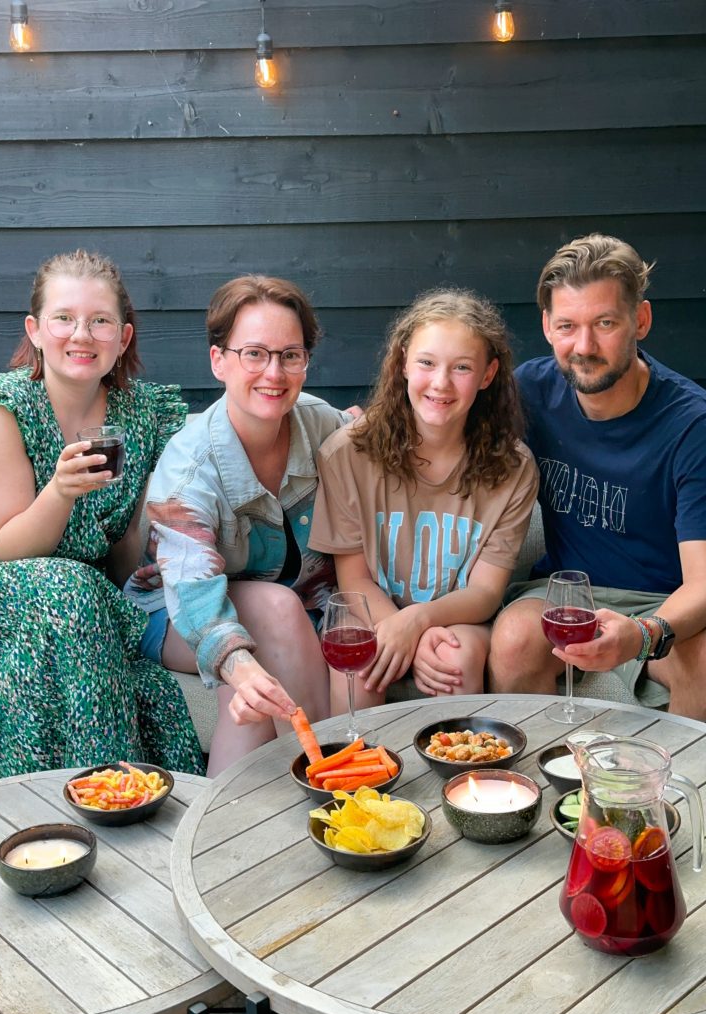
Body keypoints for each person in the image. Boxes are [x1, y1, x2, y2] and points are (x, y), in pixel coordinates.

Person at [0, 250, 205, 793]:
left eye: (100, 320)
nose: (81, 334)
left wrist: (146, 516)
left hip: (86, 593)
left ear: (123, 338)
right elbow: (7, 545)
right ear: (36, 330)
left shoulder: (144, 415)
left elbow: (118, 560)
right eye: (64, 318)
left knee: (78, 588)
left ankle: (99, 798)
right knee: (69, 586)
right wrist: (60, 491)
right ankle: (104, 793)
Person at [126, 275, 349, 775]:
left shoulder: (322, 425)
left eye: (290, 355)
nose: (274, 371)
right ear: (218, 361)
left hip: (291, 609)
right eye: (254, 353)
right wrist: (240, 665)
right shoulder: (190, 468)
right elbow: (196, 593)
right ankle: (330, 783)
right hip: (175, 611)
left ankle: (217, 834)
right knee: (271, 613)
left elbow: (382, 452)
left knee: (251, 688)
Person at [488, 234, 706, 719]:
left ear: (640, 321)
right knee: (513, 638)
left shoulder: (691, 425)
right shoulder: (530, 390)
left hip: (665, 600)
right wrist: (367, 423)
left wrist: (646, 632)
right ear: (547, 326)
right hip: (567, 590)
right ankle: (529, 786)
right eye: (567, 325)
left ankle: (680, 792)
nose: (583, 346)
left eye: (605, 323)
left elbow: (703, 583)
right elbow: (442, 421)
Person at [309, 288, 539, 711]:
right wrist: (400, 632)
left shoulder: (513, 467)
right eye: (426, 363)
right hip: (372, 611)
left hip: (459, 619)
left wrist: (419, 622)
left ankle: (459, 776)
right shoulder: (346, 454)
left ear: (488, 375)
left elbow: (486, 592)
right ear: (401, 364)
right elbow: (354, 580)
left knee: (454, 656)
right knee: (361, 655)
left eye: (462, 367)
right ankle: (355, 772)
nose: (441, 382)